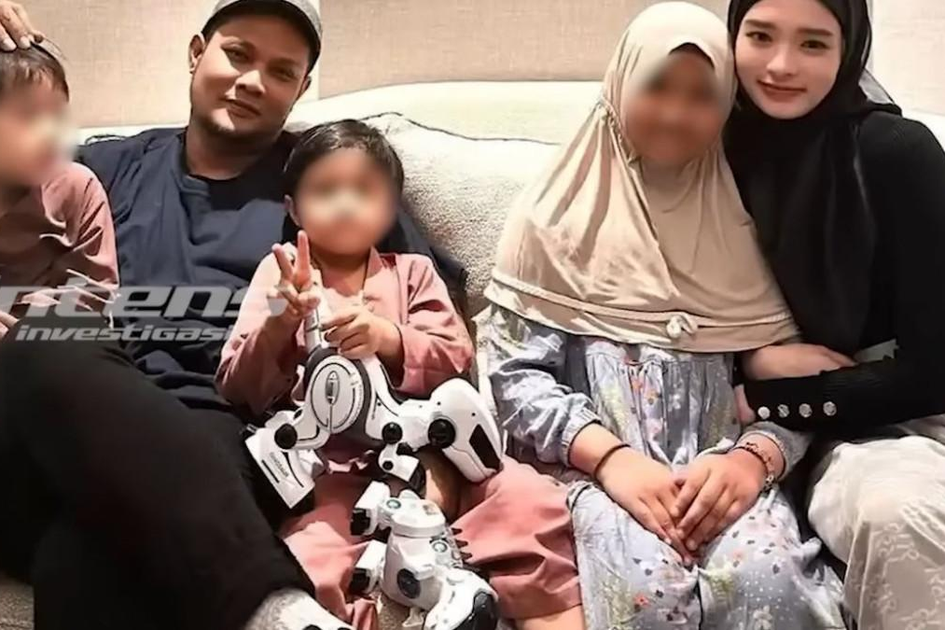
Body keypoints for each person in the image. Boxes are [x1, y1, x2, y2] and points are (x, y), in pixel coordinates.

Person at [0, 2, 456, 630]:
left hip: (225, 434)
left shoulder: (324, 185)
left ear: (300, 89)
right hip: (61, 427)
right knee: (49, 335)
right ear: (197, 53)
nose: (252, 81)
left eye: (281, 71)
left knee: (84, 557)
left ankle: (283, 613)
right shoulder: (102, 169)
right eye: (238, 54)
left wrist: (432, 456)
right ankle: (280, 612)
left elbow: (426, 320)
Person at [482, 4, 845, 629]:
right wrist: (612, 460)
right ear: (621, 83)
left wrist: (753, 459)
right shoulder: (552, 218)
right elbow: (513, 379)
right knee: (645, 591)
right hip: (596, 472)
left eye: (702, 96)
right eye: (657, 86)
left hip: (729, 469)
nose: (677, 113)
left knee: (771, 578)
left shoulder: (752, 221)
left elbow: (801, 383)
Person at [217, 119, 584, 630]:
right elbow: (237, 383)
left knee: (529, 502)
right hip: (337, 475)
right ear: (294, 209)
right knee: (310, 564)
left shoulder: (412, 272)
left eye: (364, 190)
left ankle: (544, 613)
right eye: (325, 190)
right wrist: (282, 319)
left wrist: (389, 338)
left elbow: (456, 356)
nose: (345, 204)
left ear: (390, 207)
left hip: (441, 454)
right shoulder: (281, 278)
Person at [725, 0, 945, 627]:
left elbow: (934, 371)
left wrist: (765, 398)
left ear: (849, 48)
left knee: (901, 509)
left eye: (813, 44)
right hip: (803, 433)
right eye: (760, 36)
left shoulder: (896, 152)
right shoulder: (703, 146)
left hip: (903, 418)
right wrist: (752, 360)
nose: (780, 65)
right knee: (895, 511)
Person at [0, 43, 118, 338]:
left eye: (57, 114)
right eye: (28, 115)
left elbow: (93, 297)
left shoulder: (77, 187)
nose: (50, 132)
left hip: (47, 340)